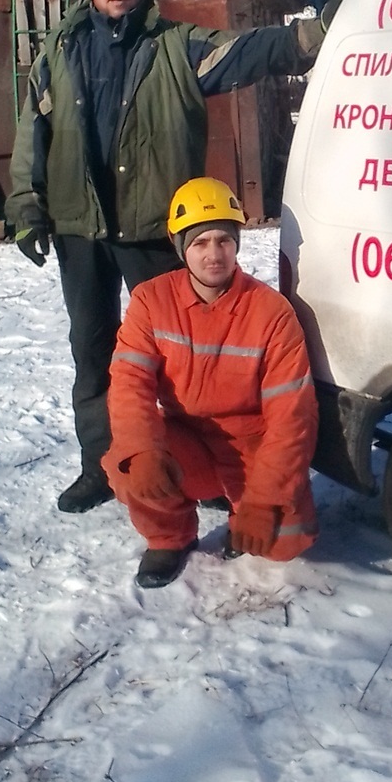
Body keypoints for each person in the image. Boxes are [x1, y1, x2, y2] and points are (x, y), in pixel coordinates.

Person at [6, 0, 332, 515]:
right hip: (81, 229)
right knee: (94, 352)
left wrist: (313, 35)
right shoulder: (58, 50)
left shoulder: (175, 47)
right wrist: (27, 206)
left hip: (155, 227)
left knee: (180, 357)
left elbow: (249, 52)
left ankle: (198, 462)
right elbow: (34, 132)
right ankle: (104, 465)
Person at [101, 176, 318, 588]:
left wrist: (264, 498)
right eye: (200, 243)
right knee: (126, 463)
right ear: (181, 247)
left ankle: (240, 504)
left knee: (286, 542)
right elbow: (130, 384)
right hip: (187, 438)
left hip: (251, 443)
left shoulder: (271, 312)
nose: (214, 254)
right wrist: (142, 448)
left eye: (224, 240)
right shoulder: (151, 300)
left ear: (237, 243)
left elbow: (293, 416)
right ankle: (169, 537)